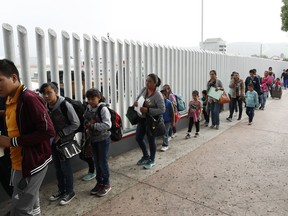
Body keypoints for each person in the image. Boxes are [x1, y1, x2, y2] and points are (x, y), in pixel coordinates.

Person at [0, 59, 55, 215]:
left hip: (32, 163)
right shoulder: (11, 99)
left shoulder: (29, 99)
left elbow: (47, 131)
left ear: (14, 78)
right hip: (19, 161)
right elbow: (20, 120)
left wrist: (11, 141)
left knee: (20, 209)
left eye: (0, 80)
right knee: (32, 203)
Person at [39, 82, 80, 205]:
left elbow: (76, 123)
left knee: (65, 167)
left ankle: (70, 191)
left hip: (64, 142)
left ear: (56, 92)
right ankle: (61, 190)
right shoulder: (46, 106)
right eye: (44, 94)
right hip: (53, 142)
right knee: (57, 167)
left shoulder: (65, 105)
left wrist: (61, 134)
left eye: (49, 93)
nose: (46, 96)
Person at [83, 88, 112, 197]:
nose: (90, 101)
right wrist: (87, 123)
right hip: (93, 139)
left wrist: (93, 125)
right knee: (96, 161)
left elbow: (108, 125)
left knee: (102, 162)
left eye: (93, 99)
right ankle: (99, 183)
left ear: (99, 98)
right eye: (88, 99)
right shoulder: (88, 108)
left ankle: (106, 183)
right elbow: (85, 118)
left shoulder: (103, 109)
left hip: (103, 139)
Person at [134, 74, 165, 169]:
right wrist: (136, 102)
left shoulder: (157, 95)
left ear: (155, 83)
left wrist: (148, 110)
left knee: (151, 140)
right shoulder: (144, 89)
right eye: (146, 80)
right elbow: (138, 98)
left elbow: (162, 109)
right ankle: (145, 156)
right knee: (138, 138)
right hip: (142, 119)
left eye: (149, 81)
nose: (147, 83)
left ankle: (152, 159)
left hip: (151, 121)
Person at [0, 97, 13, 197]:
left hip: (7, 144)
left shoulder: (6, 96)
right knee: (4, 178)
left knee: (9, 176)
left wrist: (4, 113)